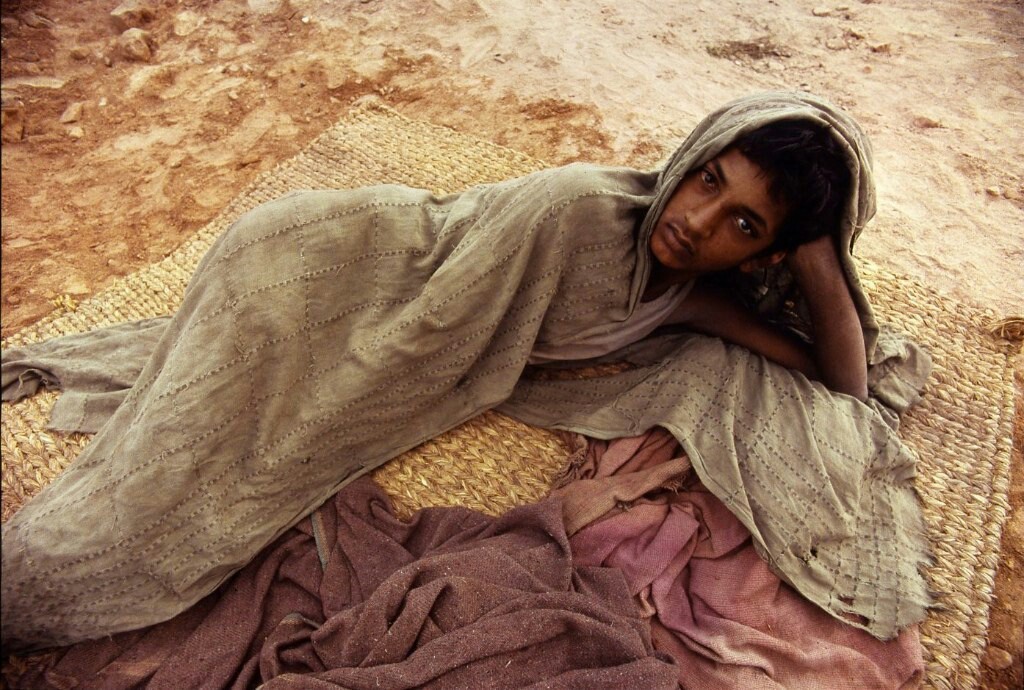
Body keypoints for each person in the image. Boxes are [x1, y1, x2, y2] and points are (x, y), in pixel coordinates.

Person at [2, 91, 931, 652]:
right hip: (319, 266)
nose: (700, 217)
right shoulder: (575, 210)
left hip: (359, 290)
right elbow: (422, 338)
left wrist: (815, 256)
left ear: (763, 255)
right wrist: (318, 423)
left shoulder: (691, 294)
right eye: (708, 178)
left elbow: (840, 381)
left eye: (745, 223)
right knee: (203, 467)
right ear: (685, 159)